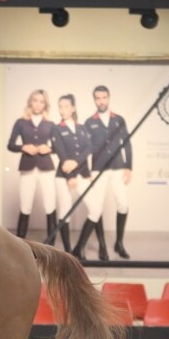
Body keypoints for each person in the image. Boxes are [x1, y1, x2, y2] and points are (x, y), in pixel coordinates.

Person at [51, 94, 105, 260]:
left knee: (96, 209)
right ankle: (68, 252)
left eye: (66, 106)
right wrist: (70, 175)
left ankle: (79, 247)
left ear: (73, 108)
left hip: (81, 174)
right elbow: (61, 153)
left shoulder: (82, 128)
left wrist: (80, 168)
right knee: (65, 212)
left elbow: (88, 148)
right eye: (60, 106)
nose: (62, 110)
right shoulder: (56, 128)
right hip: (64, 176)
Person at [85, 84, 132, 259]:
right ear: (94, 100)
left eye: (104, 97)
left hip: (118, 167)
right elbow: (85, 148)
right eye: (98, 97)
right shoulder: (90, 122)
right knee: (98, 207)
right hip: (98, 169)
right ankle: (102, 246)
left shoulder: (118, 119)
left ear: (109, 98)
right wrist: (87, 170)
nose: (101, 100)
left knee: (123, 204)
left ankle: (119, 243)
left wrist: (129, 166)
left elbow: (127, 143)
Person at [7, 89, 57, 241]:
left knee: (50, 205)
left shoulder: (50, 124)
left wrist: (49, 148)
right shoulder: (21, 122)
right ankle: (20, 244)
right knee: (25, 205)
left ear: (45, 105)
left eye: (42, 102)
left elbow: (58, 147)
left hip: (46, 169)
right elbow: (10, 145)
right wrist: (23, 147)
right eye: (35, 100)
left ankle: (51, 245)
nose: (38, 104)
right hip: (27, 168)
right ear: (30, 102)